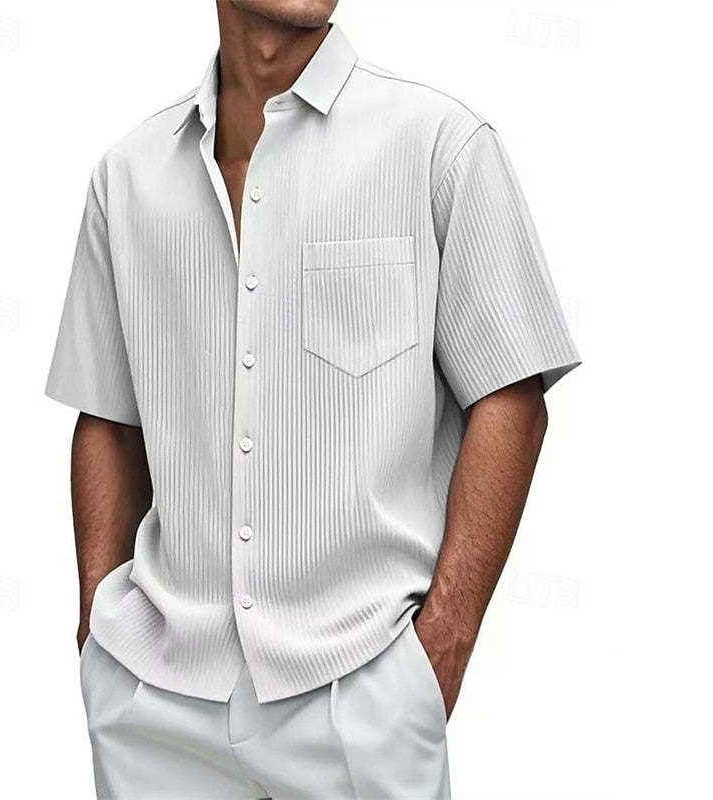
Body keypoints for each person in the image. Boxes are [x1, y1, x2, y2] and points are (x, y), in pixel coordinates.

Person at [45, 1, 581, 797]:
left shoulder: (439, 144)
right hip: (155, 700)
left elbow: (511, 394)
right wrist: (97, 624)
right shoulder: (127, 177)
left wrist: (442, 644)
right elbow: (109, 419)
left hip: (360, 688)